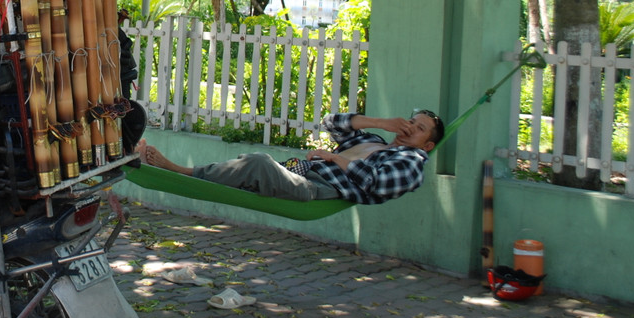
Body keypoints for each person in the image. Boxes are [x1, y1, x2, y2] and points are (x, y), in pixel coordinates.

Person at [136, 110, 445, 205]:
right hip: (299, 171)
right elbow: (331, 122)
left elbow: (376, 182)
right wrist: (380, 123)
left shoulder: (412, 162)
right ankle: (154, 164)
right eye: (410, 122)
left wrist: (334, 158)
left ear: (428, 145)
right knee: (248, 167)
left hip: (318, 188)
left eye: (419, 129)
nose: (409, 128)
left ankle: (177, 170)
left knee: (257, 163)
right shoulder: (373, 141)